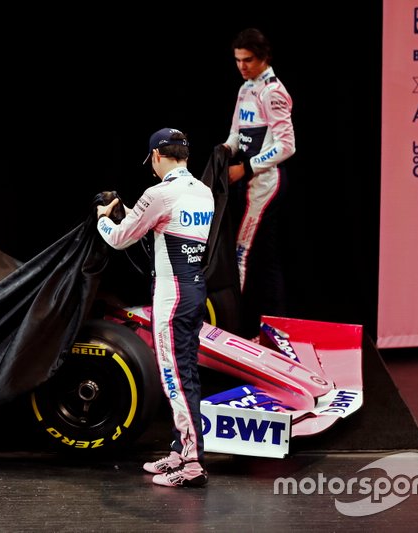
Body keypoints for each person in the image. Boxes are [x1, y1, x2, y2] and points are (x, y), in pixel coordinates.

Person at [95, 127, 214, 488]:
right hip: (194, 293)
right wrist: (130, 211)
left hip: (172, 298)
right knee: (186, 375)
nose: (152, 169)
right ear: (186, 156)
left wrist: (103, 216)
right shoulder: (203, 191)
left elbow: (119, 239)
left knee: (176, 381)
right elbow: (161, 225)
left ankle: (193, 465)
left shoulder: (159, 193)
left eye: (152, 162)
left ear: (158, 157)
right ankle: (180, 450)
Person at [221, 27, 296, 340]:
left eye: (248, 60)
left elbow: (287, 146)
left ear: (264, 57)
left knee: (244, 255)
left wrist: (246, 168)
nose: (242, 66)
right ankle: (260, 332)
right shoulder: (245, 89)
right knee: (258, 257)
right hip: (247, 183)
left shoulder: (273, 92)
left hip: (265, 185)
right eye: (238, 60)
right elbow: (236, 136)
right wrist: (222, 154)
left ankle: (245, 333)